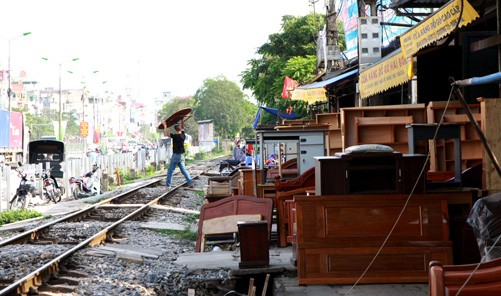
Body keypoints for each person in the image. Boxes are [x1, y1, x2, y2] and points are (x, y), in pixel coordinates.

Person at [165, 124, 194, 188]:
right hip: (181, 156)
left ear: (175, 130)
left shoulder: (175, 136)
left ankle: (168, 185)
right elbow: (183, 130)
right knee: (184, 170)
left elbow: (167, 134)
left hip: (176, 155)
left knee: (170, 170)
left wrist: (165, 125)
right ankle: (190, 183)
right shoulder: (183, 135)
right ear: (180, 129)